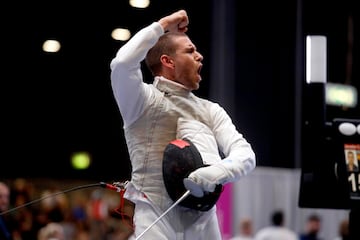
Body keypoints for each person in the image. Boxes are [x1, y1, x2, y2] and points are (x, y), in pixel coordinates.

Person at [110, 9, 256, 240]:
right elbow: (122, 63)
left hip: (204, 221)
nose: (200, 56)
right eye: (190, 51)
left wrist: (217, 172)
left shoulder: (210, 110)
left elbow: (245, 155)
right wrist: (163, 24)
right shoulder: (142, 100)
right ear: (167, 61)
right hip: (155, 216)